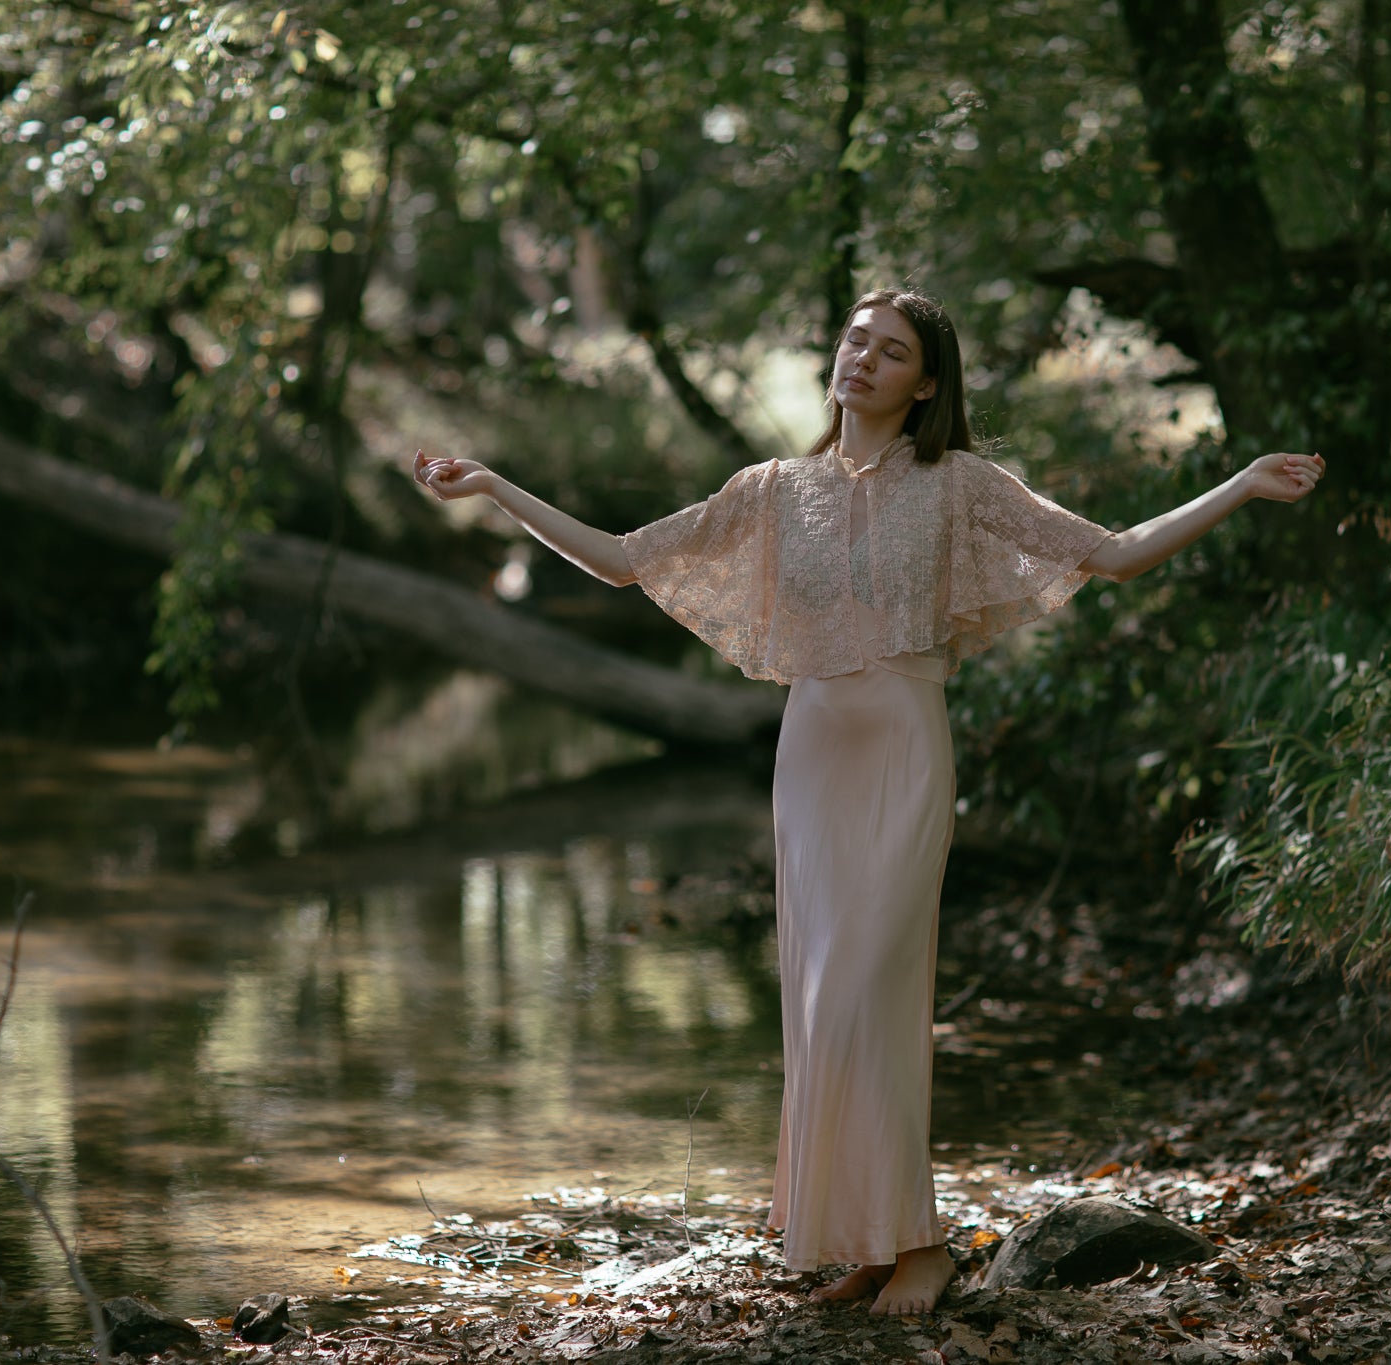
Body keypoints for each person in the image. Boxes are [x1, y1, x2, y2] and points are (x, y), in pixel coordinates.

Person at [413, 288, 1324, 1315]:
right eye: (853, 339)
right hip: (808, 764)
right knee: (818, 1008)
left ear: (924, 383)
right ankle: (869, 1241)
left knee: (860, 996)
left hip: (899, 750)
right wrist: (493, 487)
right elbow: (626, 561)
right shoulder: (769, 489)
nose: (861, 359)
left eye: (889, 352)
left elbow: (1108, 553)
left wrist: (1240, 485)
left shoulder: (958, 486)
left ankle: (921, 1246)